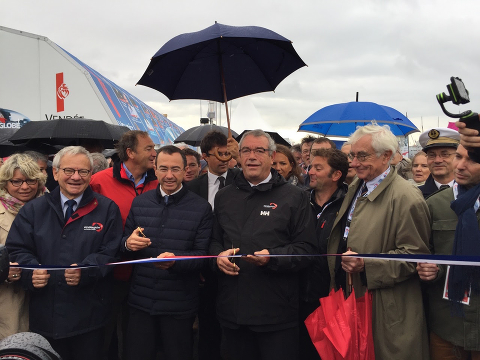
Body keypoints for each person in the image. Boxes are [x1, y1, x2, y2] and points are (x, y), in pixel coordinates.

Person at [6, 146, 123, 360]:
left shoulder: (106, 209)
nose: (75, 177)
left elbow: (111, 252)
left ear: (91, 174)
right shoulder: (34, 209)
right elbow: (17, 249)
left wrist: (86, 270)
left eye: (83, 172)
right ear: (55, 173)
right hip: (45, 315)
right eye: (69, 171)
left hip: (90, 317)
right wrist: (31, 272)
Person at [210, 129, 316, 360]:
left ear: (271, 156)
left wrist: (273, 257)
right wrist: (218, 256)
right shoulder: (224, 196)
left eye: (259, 150)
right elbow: (214, 240)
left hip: (276, 313)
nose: (252, 156)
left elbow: (307, 249)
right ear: (238, 156)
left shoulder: (294, 197)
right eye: (246, 150)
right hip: (232, 310)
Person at [327, 124, 431, 360]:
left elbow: (415, 256)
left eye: (362, 156)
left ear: (386, 156)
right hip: (353, 297)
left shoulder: (406, 196)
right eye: (353, 155)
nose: (353, 163)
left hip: (387, 309)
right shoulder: (358, 186)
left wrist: (367, 264)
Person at [123, 145, 212, 360]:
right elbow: (123, 244)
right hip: (141, 301)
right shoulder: (140, 202)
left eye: (175, 169)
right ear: (155, 169)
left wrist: (176, 262)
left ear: (186, 170)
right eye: (163, 169)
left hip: (179, 305)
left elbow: (202, 255)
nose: (169, 175)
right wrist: (128, 244)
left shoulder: (201, 208)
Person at [89, 130, 158, 360]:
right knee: (105, 334)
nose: (154, 153)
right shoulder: (100, 181)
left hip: (147, 274)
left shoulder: (158, 181)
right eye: (148, 149)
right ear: (130, 152)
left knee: (138, 337)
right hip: (110, 272)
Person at [417, 144, 480, 360]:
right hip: (448, 324)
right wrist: (430, 270)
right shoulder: (435, 204)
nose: (460, 166)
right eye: (459, 157)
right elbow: (423, 254)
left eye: (472, 160)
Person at [187, 130, 239, 360]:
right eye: (219, 155)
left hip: (235, 262)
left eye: (228, 154)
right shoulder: (192, 188)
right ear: (205, 155)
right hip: (204, 266)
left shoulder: (241, 181)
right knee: (208, 324)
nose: (224, 159)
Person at [299, 148, 349, 360]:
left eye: (318, 168)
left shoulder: (350, 204)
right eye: (310, 166)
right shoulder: (298, 201)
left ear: (336, 175)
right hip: (298, 296)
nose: (311, 171)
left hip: (335, 298)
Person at [0, 154, 47, 340]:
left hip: (45, 296)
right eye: (17, 182)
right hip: (10, 299)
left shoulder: (53, 205)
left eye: (30, 180)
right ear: (5, 183)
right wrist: (4, 272)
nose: (25, 187)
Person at [418, 128, 460, 198]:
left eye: (445, 155)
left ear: (458, 157)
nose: (437, 160)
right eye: (432, 155)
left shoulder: (472, 192)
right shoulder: (417, 195)